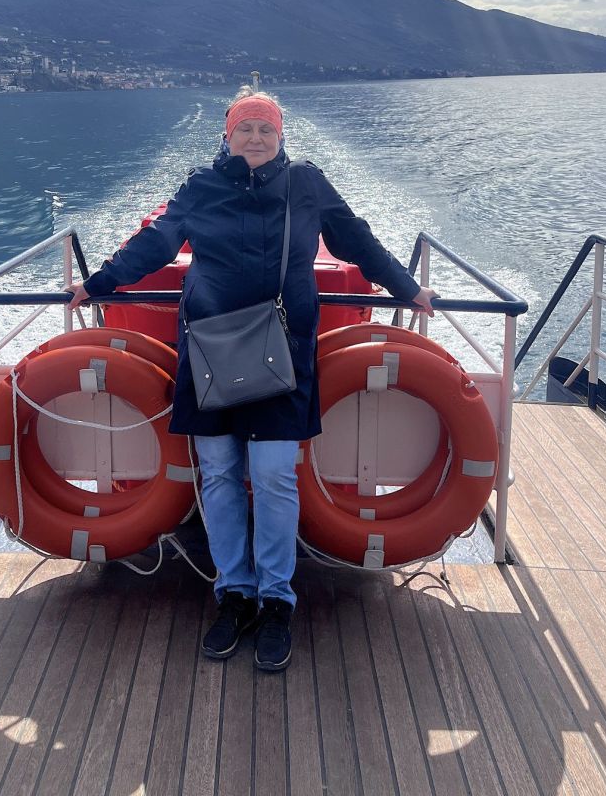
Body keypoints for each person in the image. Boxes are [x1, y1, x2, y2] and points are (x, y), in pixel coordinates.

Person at [66, 88, 435, 672]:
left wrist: (408, 289)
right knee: (217, 473)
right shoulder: (202, 185)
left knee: (273, 476)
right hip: (211, 348)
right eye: (246, 128)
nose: (256, 138)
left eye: (266, 128)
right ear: (227, 135)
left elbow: (356, 240)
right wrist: (97, 283)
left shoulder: (305, 183)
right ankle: (233, 593)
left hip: (283, 351)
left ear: (281, 135)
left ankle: (277, 600)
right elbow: (157, 242)